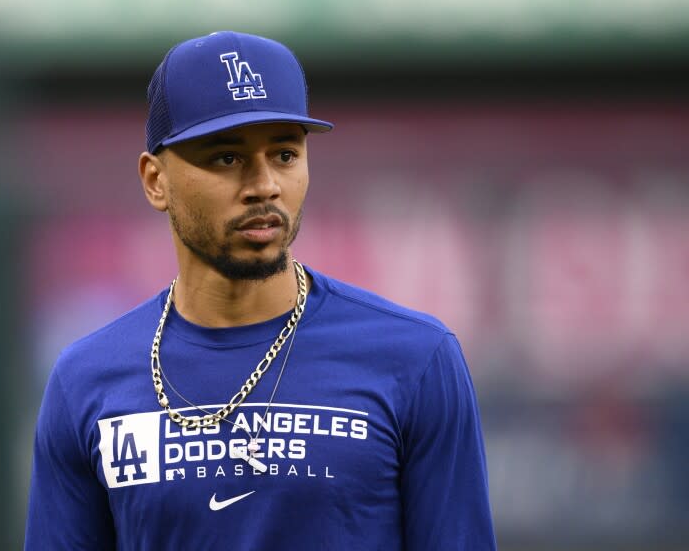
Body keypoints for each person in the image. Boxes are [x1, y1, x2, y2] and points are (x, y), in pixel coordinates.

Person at [25, 31, 496, 550]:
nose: (265, 184)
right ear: (155, 180)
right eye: (227, 157)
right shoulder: (85, 379)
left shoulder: (416, 358)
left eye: (285, 154)